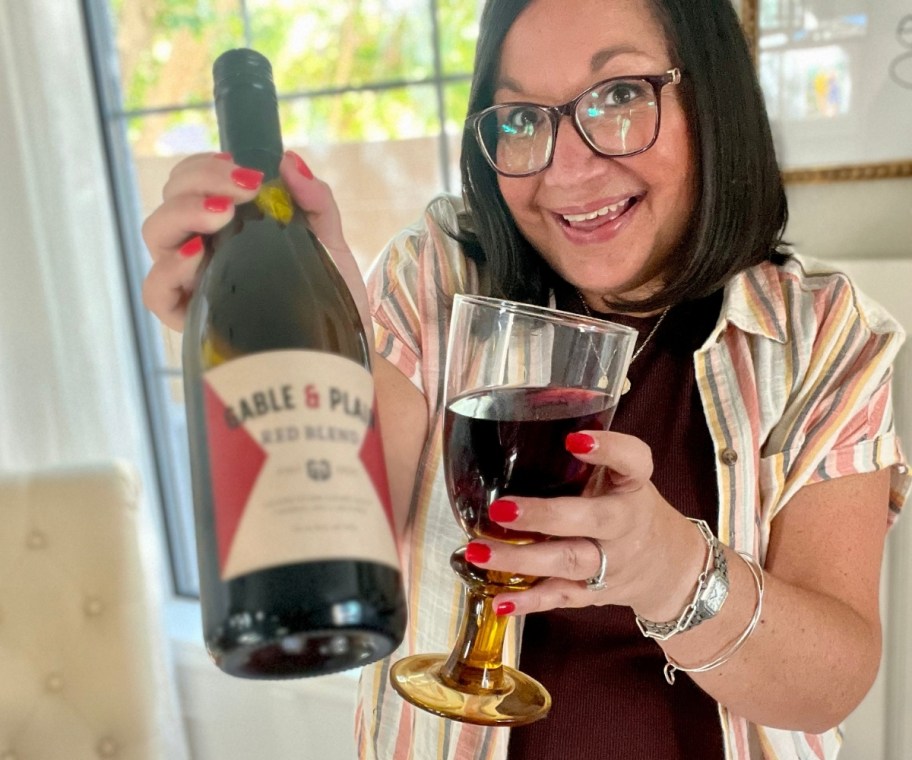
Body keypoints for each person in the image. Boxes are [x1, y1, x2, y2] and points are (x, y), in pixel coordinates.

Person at [141, 0, 910, 757]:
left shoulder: (827, 335)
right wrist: (298, 331)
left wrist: (671, 570)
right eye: (520, 119)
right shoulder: (437, 275)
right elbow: (354, 523)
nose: (566, 169)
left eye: (618, 96)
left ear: (711, 96)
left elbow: (830, 683)